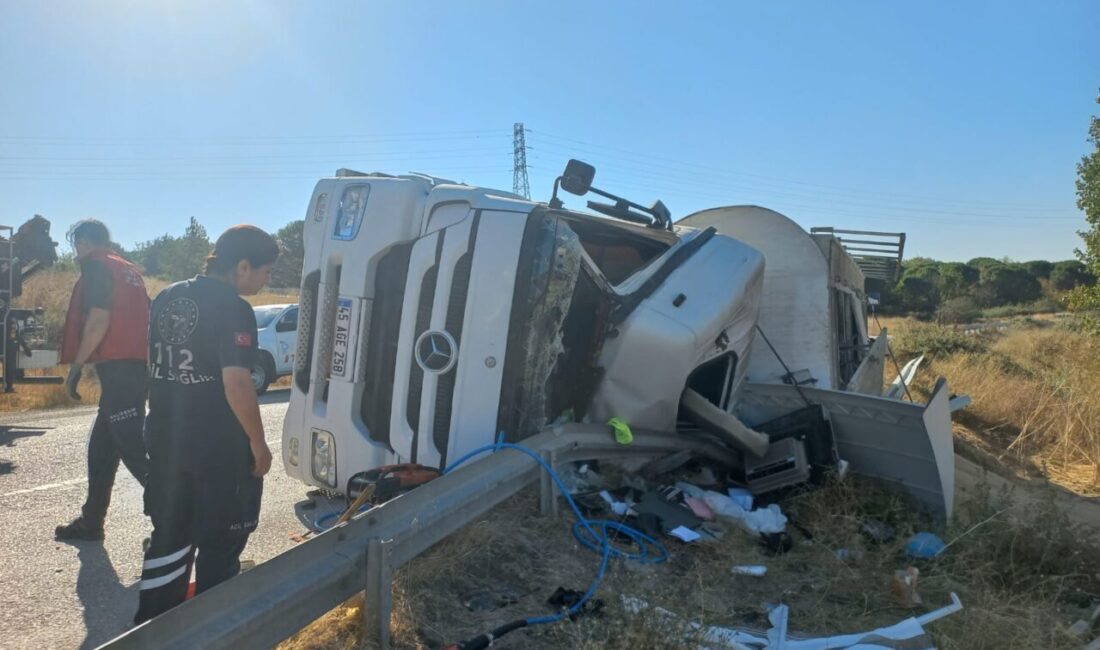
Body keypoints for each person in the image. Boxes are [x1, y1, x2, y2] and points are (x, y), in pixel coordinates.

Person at [134, 225, 277, 624]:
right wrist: (258, 444)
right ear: (242, 265)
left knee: (169, 540)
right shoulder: (234, 308)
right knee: (220, 543)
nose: (267, 281)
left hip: (165, 439)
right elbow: (237, 382)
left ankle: (153, 632)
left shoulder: (166, 296)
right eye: (265, 272)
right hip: (217, 449)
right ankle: (212, 632)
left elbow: (156, 367)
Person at [56, 219, 150, 542]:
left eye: (76, 243)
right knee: (101, 448)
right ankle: (92, 520)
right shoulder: (127, 270)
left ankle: (178, 520)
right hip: (134, 368)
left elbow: (98, 320)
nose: (76, 251)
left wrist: (76, 366)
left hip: (121, 371)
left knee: (135, 451)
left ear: (83, 242)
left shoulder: (97, 268)